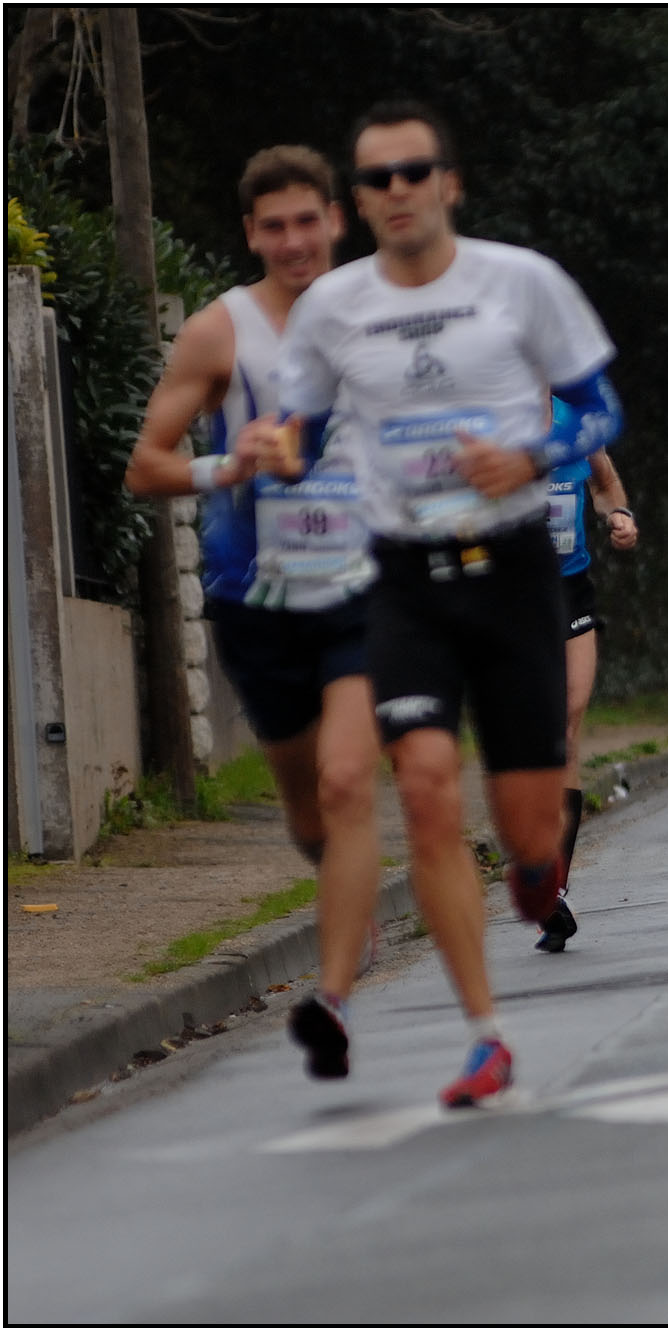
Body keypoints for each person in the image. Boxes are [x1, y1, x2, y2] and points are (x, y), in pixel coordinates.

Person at [276, 101, 624, 1107]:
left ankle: (535, 866)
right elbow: (298, 430)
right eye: (375, 179)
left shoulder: (522, 283)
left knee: (524, 835)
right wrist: (270, 453)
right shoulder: (333, 308)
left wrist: (536, 453)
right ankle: (485, 1035)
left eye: (413, 172)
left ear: (449, 184)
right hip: (406, 578)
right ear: (359, 199)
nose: (395, 192)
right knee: (424, 787)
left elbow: (603, 409)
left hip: (515, 571)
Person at [124, 145, 383, 1082]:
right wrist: (229, 465)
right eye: (273, 226)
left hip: (363, 592)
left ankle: (335, 996)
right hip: (257, 602)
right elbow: (144, 466)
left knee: (352, 784)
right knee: (312, 811)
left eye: (307, 220)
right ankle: (340, 891)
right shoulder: (217, 333)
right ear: (250, 235)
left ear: (335, 221)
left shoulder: (376, 313)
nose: (293, 240)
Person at [538, 436, 639, 953]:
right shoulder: (482, 414)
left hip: (570, 588)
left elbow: (603, 481)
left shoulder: (573, 422)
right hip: (509, 593)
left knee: (567, 724)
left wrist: (616, 513)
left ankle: (555, 889)